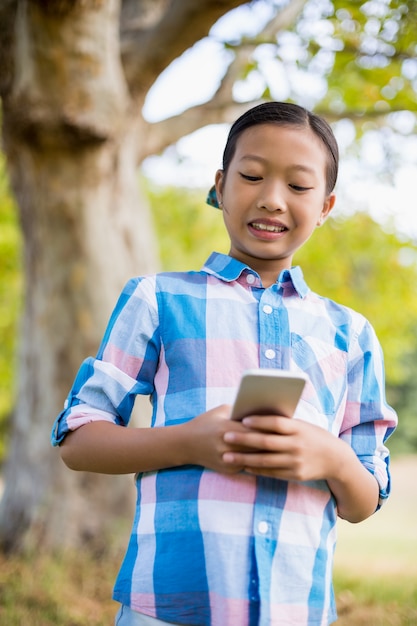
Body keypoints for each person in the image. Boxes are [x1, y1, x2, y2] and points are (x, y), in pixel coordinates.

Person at [51, 101, 397, 626]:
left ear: (325, 206)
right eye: (252, 176)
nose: (272, 199)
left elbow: (364, 498)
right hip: (165, 609)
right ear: (220, 184)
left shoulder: (351, 335)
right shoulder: (157, 298)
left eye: (298, 187)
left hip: (296, 612)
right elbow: (78, 438)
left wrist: (331, 458)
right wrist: (188, 441)